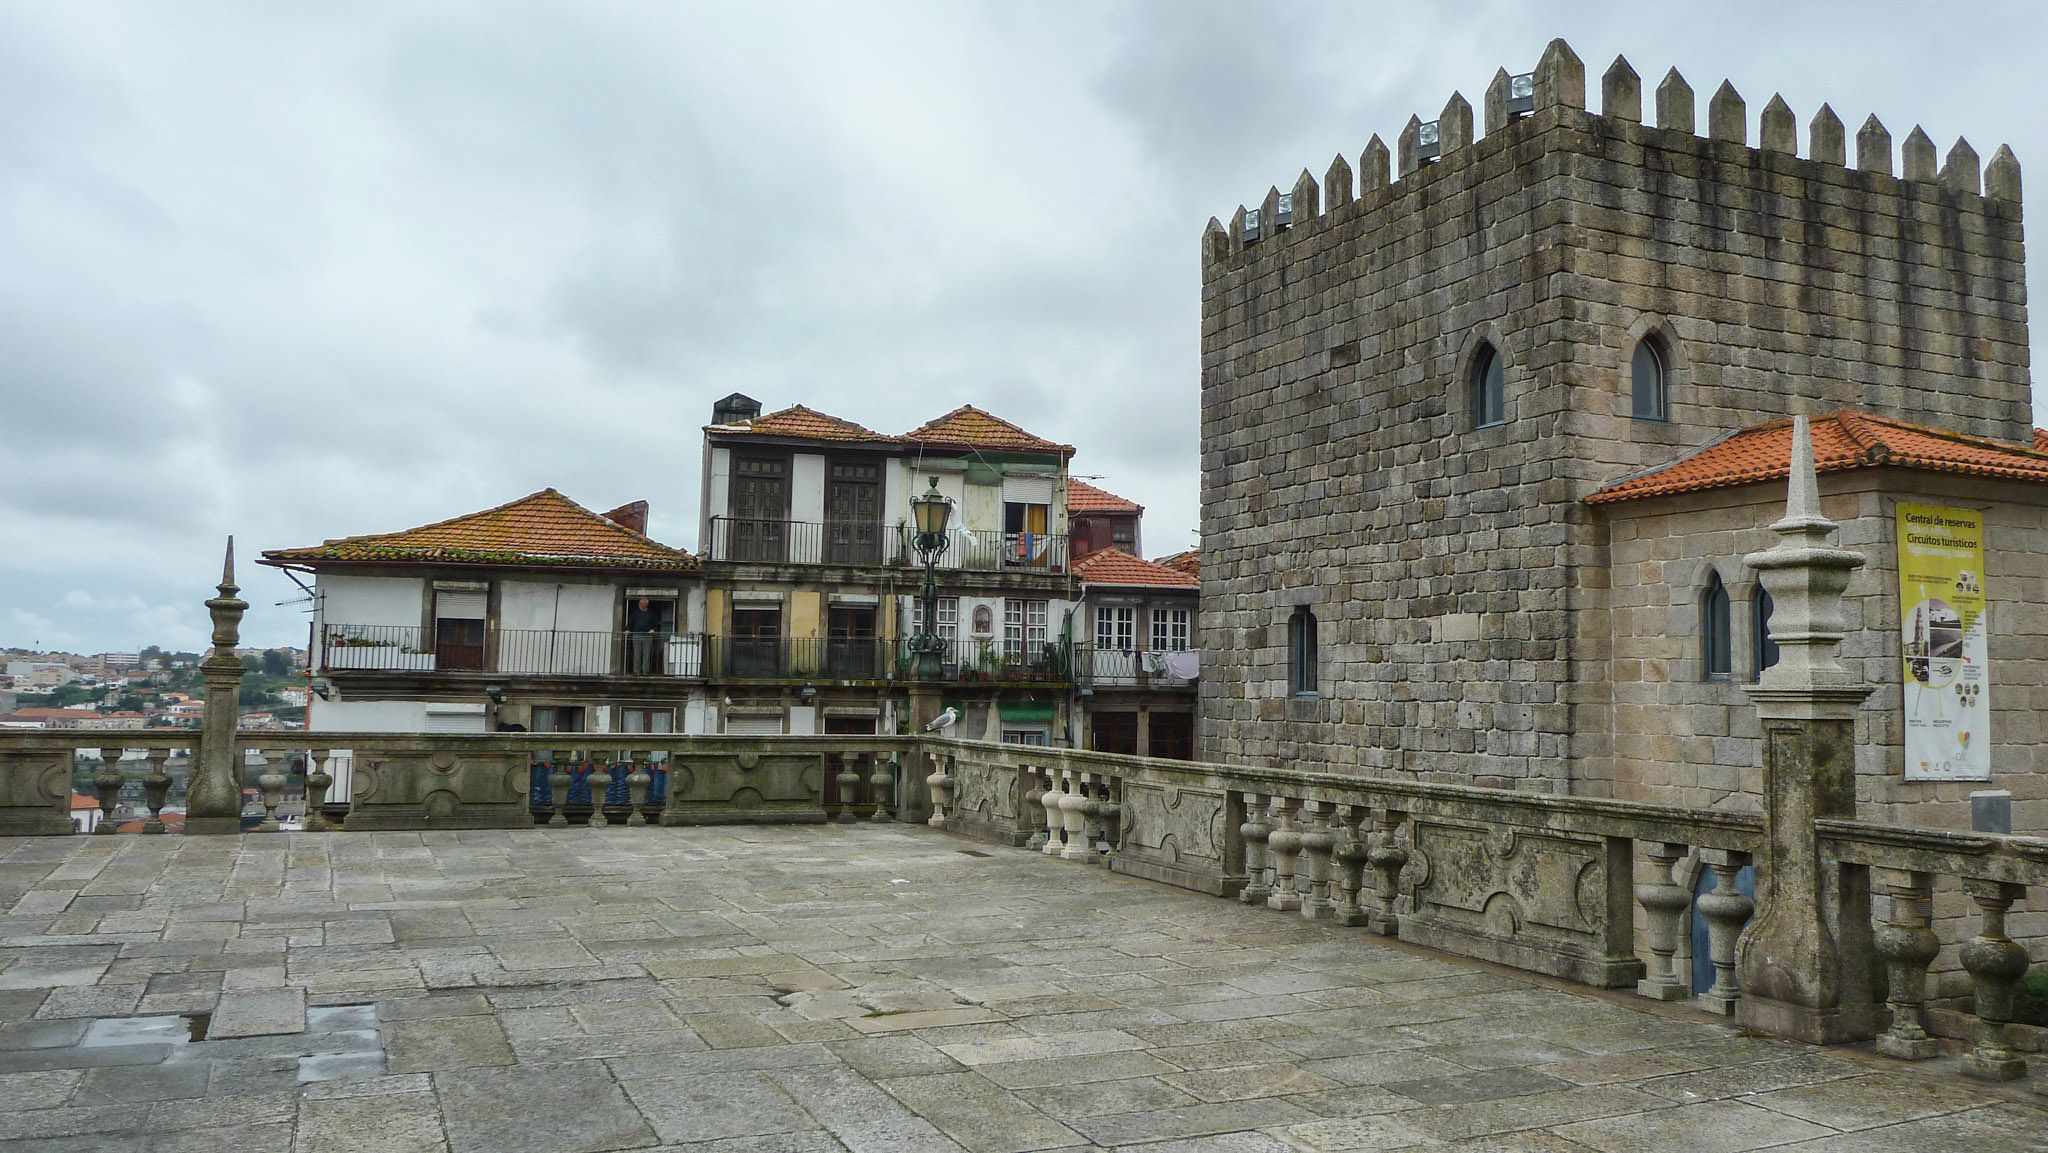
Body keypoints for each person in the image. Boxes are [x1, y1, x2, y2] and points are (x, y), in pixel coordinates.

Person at [627, 597, 660, 674]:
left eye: (642, 603)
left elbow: (657, 624)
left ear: (646, 604)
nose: (640, 605)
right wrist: (628, 629)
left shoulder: (651, 614)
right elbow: (630, 623)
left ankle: (645, 671)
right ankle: (636, 671)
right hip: (637, 634)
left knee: (646, 653)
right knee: (637, 653)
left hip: (647, 635)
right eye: (640, 603)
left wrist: (653, 630)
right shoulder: (635, 613)